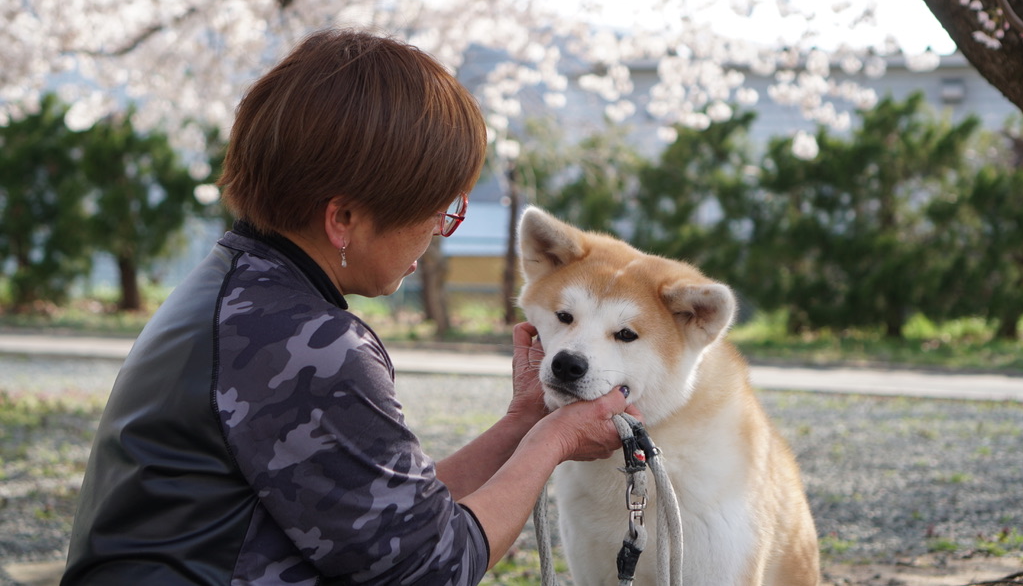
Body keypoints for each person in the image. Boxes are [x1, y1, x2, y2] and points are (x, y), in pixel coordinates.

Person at [61, 28, 637, 585]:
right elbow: (434, 568)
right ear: (344, 219)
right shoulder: (308, 344)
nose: (441, 232)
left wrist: (523, 424)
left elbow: (397, 521)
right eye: (437, 211)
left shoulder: (240, 290)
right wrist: (553, 444)